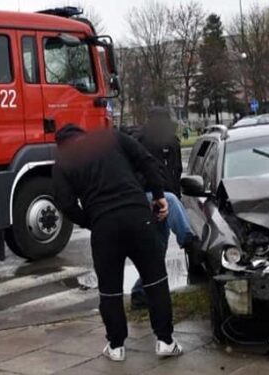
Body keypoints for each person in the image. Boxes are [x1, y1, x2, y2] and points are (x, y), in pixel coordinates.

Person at [52, 124, 183, 362]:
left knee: (110, 290)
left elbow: (65, 202)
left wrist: (93, 221)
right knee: (155, 280)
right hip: (138, 216)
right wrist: (159, 195)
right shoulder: (110, 137)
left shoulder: (63, 161)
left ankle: (116, 346)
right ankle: (165, 341)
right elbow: (147, 161)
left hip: (104, 228)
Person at [131, 107, 198, 310]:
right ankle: (187, 238)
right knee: (156, 245)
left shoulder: (170, 141)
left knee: (157, 250)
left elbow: (175, 172)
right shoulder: (139, 140)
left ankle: (140, 292)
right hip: (149, 199)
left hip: (164, 202)